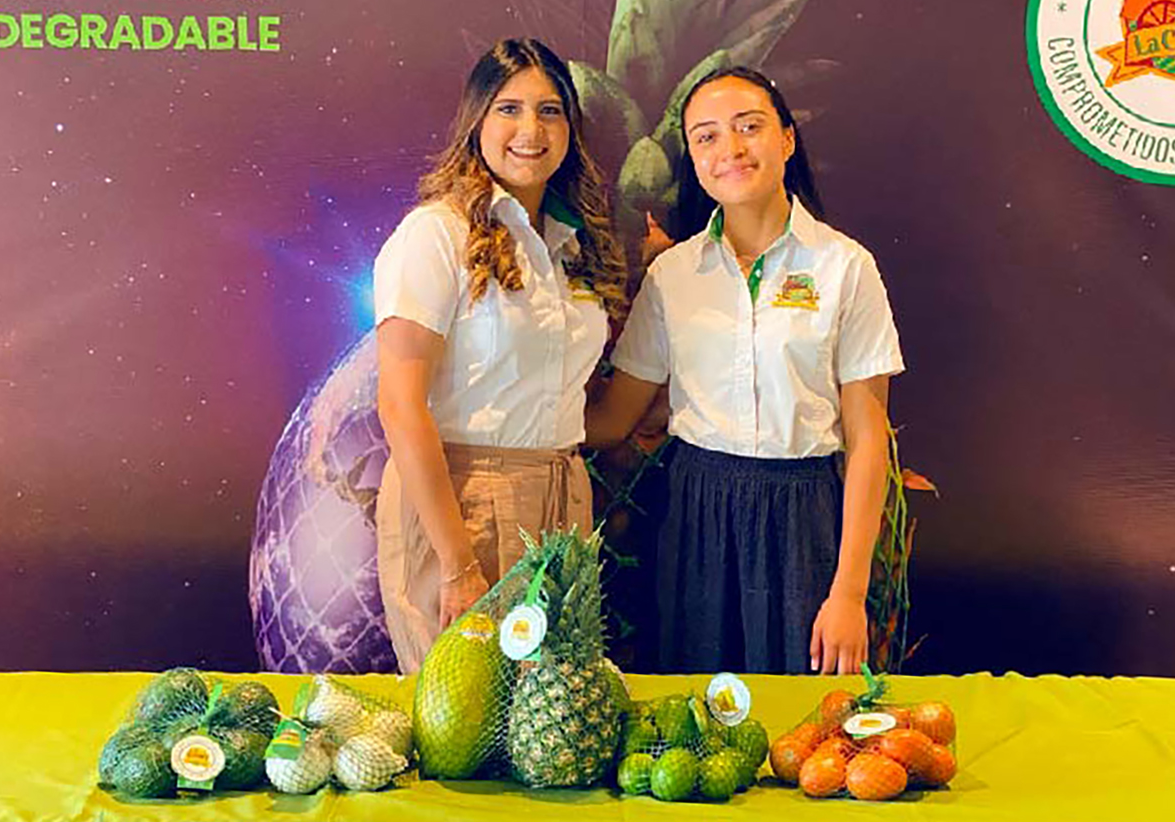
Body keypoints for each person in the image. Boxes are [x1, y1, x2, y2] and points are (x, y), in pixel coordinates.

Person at [587, 67, 903, 675]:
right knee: (701, 717)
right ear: (693, 161)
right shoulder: (672, 275)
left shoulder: (845, 267)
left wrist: (849, 593)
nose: (729, 148)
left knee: (803, 718)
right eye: (705, 137)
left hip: (806, 516)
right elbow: (614, 418)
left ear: (786, 139)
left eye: (748, 127)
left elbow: (867, 441)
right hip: (695, 511)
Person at [373, 38, 627, 674]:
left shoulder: (573, 245)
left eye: (549, 111)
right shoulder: (435, 234)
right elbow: (401, 407)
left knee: (546, 727)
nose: (530, 131)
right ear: (476, 122)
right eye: (508, 109)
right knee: (468, 723)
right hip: (460, 500)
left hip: (562, 497)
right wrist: (458, 563)